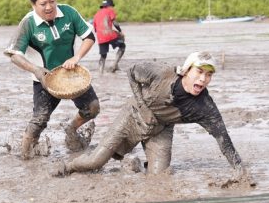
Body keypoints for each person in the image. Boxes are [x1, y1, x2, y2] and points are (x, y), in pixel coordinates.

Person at [55, 51, 247, 178]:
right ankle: (67, 167)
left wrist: (241, 172)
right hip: (132, 115)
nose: (203, 79)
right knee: (95, 162)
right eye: (199, 72)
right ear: (187, 70)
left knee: (159, 178)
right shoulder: (162, 73)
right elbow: (131, 72)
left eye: (209, 75)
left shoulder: (205, 107)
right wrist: (141, 103)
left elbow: (224, 140)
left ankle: (137, 165)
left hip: (160, 129)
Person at [4, 0, 100, 159]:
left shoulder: (68, 13)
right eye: (43, 4)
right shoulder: (28, 23)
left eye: (52, 1)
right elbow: (13, 54)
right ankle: (25, 156)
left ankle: (71, 129)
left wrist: (76, 57)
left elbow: (89, 36)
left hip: (71, 75)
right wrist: (36, 70)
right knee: (39, 120)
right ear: (33, 4)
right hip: (44, 80)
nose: (49, 7)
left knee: (93, 108)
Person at [93, 0, 125, 74]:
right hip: (109, 34)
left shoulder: (96, 14)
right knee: (123, 45)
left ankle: (100, 72)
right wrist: (120, 32)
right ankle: (114, 65)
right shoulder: (110, 10)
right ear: (109, 6)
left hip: (100, 37)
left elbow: (95, 29)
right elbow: (115, 23)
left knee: (103, 55)